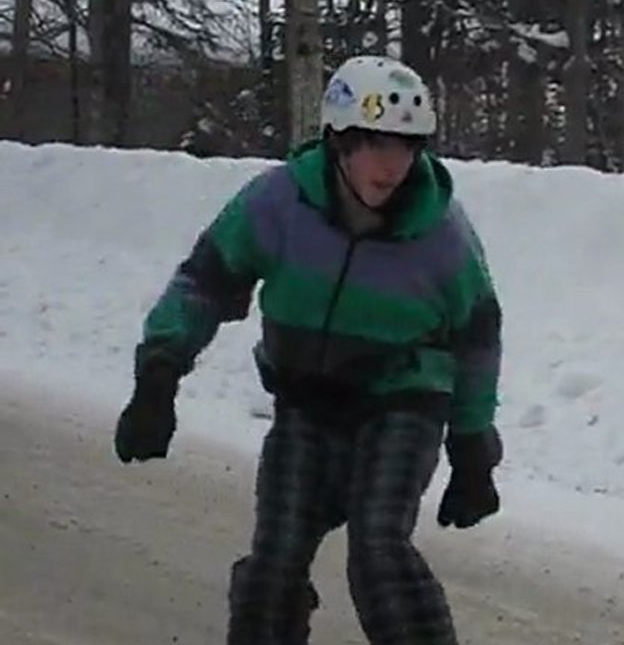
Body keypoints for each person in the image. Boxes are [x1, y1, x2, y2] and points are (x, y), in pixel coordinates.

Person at [113, 54, 504, 645]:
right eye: (376, 143)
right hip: (308, 405)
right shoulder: (277, 205)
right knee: (274, 563)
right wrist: (158, 376)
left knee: (377, 549)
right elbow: (205, 281)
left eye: (408, 146)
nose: (393, 165)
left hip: (402, 401)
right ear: (338, 141)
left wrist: (473, 448)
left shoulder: (442, 234)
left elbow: (478, 340)